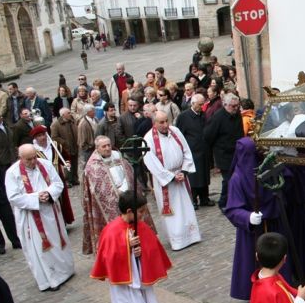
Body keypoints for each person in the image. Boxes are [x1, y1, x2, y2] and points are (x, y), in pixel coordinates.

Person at [90, 192, 171, 303]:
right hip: (124, 285)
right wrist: (126, 246)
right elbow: (109, 257)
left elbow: (151, 248)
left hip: (140, 278)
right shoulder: (111, 231)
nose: (143, 215)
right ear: (129, 211)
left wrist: (140, 251)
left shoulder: (141, 226)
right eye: (140, 211)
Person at [224, 138, 294, 300]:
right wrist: (247, 216)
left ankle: (282, 284)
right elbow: (232, 209)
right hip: (253, 231)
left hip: (274, 223)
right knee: (252, 261)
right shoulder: (237, 179)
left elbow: (285, 180)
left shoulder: (267, 168)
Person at [5, 144, 75, 291]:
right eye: (29, 159)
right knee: (39, 248)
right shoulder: (12, 173)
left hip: (51, 211)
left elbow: (58, 183)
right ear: (21, 158)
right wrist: (36, 197)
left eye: (34, 157)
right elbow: (13, 197)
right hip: (31, 216)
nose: (33, 161)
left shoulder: (45, 164)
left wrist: (49, 194)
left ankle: (65, 272)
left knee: (58, 241)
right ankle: (51, 280)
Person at [82, 136, 155, 254]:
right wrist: (117, 192)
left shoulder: (119, 156)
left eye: (109, 145)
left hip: (128, 196)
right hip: (112, 202)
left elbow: (129, 175)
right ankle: (120, 248)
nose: (107, 148)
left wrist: (126, 189)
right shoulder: (93, 166)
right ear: (97, 148)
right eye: (103, 146)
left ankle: (141, 243)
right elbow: (98, 188)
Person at [143, 111, 201, 250]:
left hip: (180, 175)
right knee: (172, 211)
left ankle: (192, 235)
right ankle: (177, 240)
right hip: (165, 180)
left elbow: (186, 151)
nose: (165, 125)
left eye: (166, 121)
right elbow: (151, 162)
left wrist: (184, 171)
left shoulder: (175, 131)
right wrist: (170, 176)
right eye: (161, 122)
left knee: (185, 206)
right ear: (154, 123)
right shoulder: (148, 138)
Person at [205, 92, 243, 210]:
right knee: (228, 179)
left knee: (236, 178)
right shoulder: (218, 117)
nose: (236, 108)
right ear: (225, 105)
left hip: (236, 152)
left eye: (237, 105)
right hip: (223, 154)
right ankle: (223, 202)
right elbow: (208, 135)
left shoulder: (237, 115)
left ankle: (235, 200)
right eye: (233, 106)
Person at [31, 125, 75, 225]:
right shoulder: (33, 151)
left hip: (58, 176)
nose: (42, 138)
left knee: (62, 199)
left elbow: (65, 157)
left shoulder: (55, 145)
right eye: (39, 136)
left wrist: (66, 162)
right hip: (44, 180)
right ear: (35, 138)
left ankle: (63, 221)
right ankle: (55, 223)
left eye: (43, 135)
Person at [175, 94, 213, 209]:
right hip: (192, 152)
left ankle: (204, 198)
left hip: (204, 150)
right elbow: (179, 134)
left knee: (204, 176)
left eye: (203, 104)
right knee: (194, 178)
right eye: (200, 104)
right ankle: (194, 200)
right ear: (193, 103)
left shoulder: (203, 115)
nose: (202, 107)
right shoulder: (184, 116)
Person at [50, 108, 79, 186]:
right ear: (63, 115)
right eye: (68, 113)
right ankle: (68, 181)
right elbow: (54, 137)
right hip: (65, 148)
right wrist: (64, 142)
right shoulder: (55, 124)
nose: (70, 114)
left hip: (74, 146)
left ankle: (75, 179)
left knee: (75, 163)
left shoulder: (72, 121)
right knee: (67, 164)